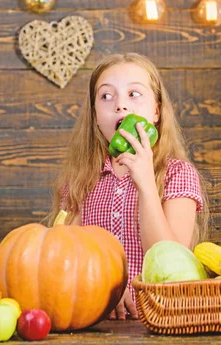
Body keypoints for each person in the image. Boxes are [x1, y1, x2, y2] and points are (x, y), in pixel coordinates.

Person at [47, 53, 208, 320]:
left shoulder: (177, 173)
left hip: (162, 320)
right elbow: (64, 261)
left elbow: (171, 264)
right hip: (95, 322)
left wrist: (145, 182)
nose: (120, 105)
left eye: (134, 94)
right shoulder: (80, 179)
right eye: (107, 96)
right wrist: (103, 290)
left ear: (156, 111)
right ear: (95, 115)